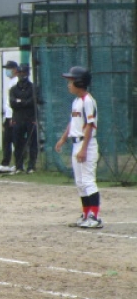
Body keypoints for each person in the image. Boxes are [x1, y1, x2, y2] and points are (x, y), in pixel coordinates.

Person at [54, 66, 102, 228]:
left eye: (71, 81)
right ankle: (86, 214)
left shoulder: (88, 101)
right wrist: (63, 139)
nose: (69, 85)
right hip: (76, 143)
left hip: (86, 144)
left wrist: (84, 149)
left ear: (80, 83)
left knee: (88, 181)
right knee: (80, 182)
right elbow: (73, 123)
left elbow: (89, 126)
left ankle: (95, 217)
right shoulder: (76, 101)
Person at [9, 63, 38, 174]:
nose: (22, 74)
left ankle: (31, 166)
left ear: (28, 73)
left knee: (32, 142)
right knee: (17, 143)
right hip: (18, 119)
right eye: (20, 72)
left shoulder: (33, 88)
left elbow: (32, 101)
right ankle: (19, 166)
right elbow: (13, 103)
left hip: (30, 118)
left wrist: (20, 102)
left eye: (24, 72)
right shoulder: (13, 89)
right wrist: (23, 102)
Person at [0, 60, 19, 173]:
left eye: (9, 69)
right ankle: (6, 163)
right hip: (8, 116)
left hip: (13, 116)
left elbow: (14, 102)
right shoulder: (11, 82)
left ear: (15, 70)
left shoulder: (16, 82)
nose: (7, 71)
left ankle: (17, 164)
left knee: (15, 140)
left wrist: (12, 117)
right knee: (7, 140)